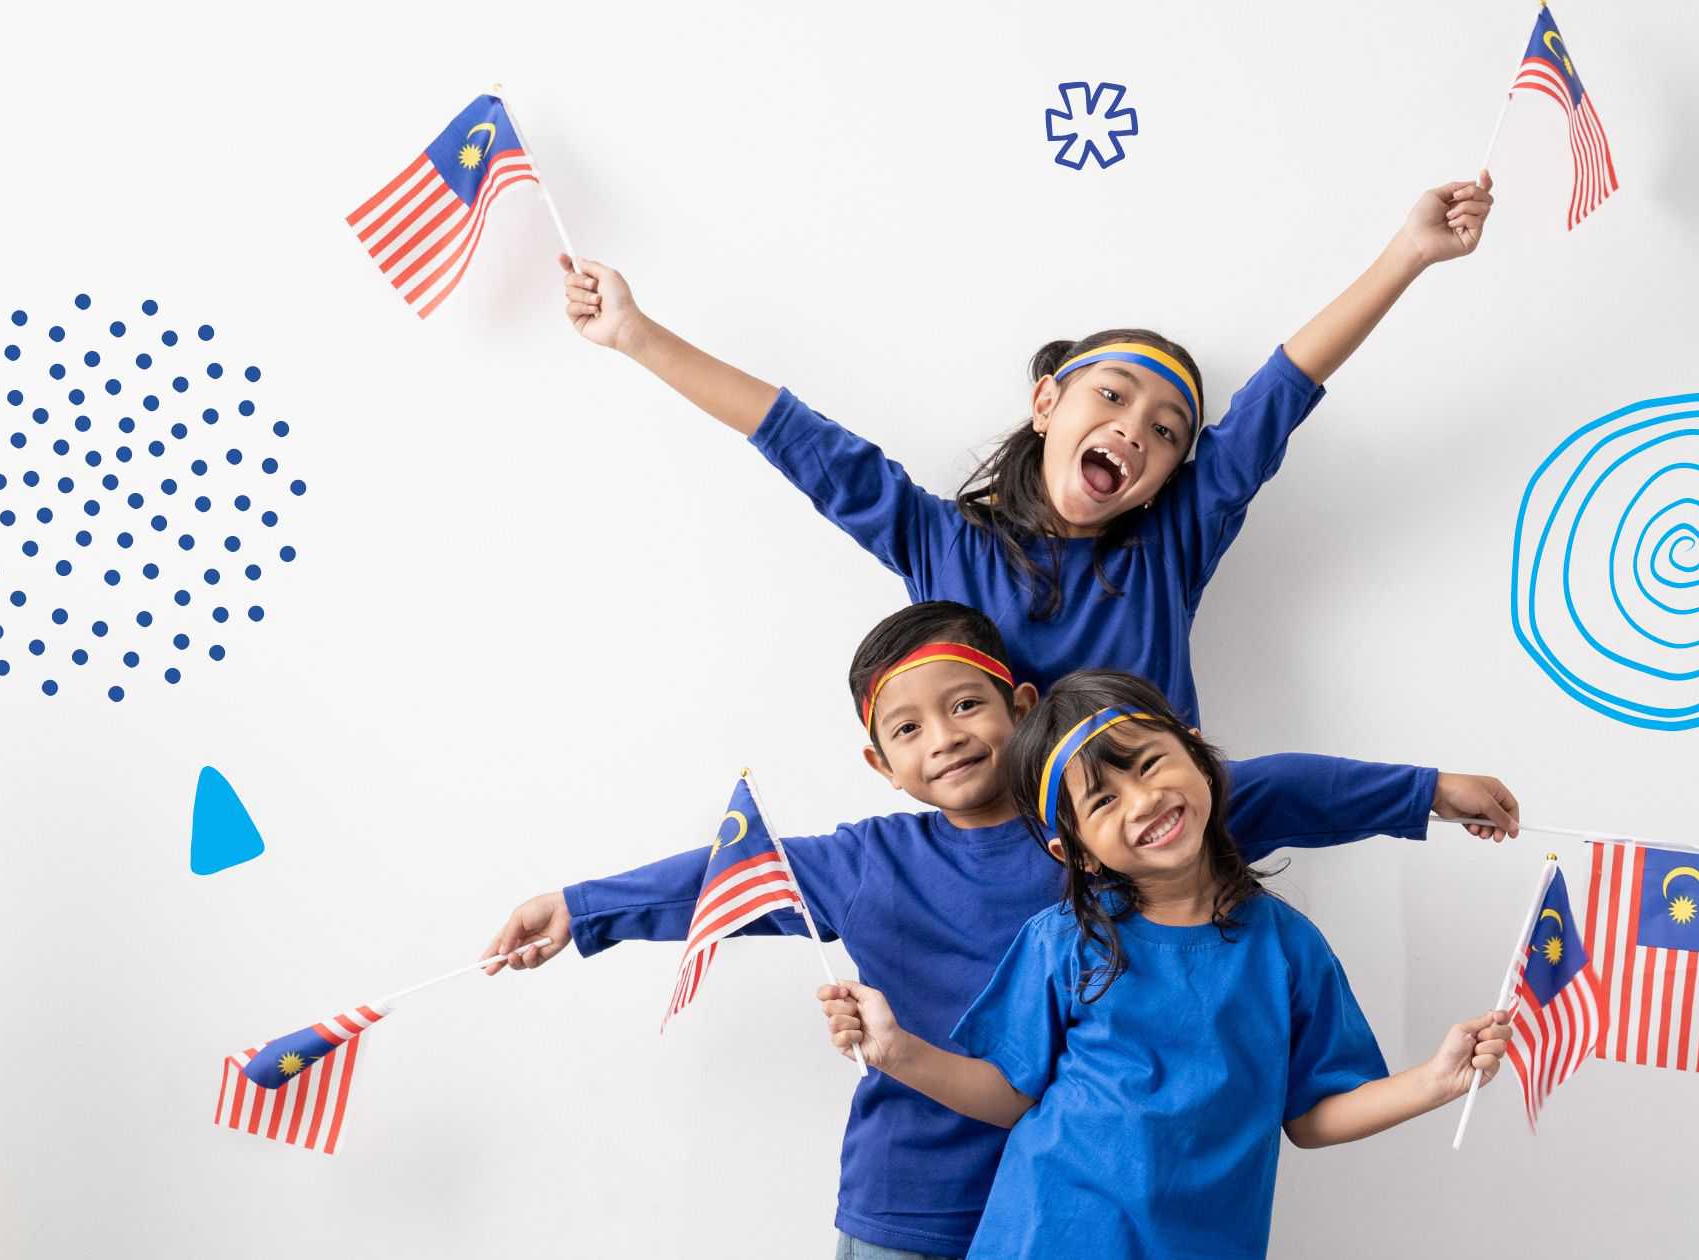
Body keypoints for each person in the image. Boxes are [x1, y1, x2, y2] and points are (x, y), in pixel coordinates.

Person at [485, 602, 1519, 1259]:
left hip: (1102, 1213)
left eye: (966, 705)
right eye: (908, 728)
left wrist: (1428, 791)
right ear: (879, 765)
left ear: (1015, 707)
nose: (944, 738)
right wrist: (581, 909)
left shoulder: (1113, 813)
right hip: (916, 1201)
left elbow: (1285, 785)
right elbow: (730, 879)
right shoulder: (878, 861)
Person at [554, 174, 1497, 724]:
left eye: (1168, 432)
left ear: (1171, 474)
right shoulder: (944, 548)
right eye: (1114, 397)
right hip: (1005, 883)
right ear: (1048, 402)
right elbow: (803, 442)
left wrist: (1408, 253)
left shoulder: (1170, 548)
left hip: (1158, 877)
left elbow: (1280, 396)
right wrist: (638, 336)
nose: (1136, 428)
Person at [818, 669, 1514, 1258]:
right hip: (1043, 1239)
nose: (1144, 800)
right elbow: (1008, 1092)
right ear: (1078, 852)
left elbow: (1312, 1116)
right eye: (1102, 800)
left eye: (1149, 764)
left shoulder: (1289, 948)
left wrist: (1436, 1080)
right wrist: (896, 1051)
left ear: (1200, 756)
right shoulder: (1061, 942)